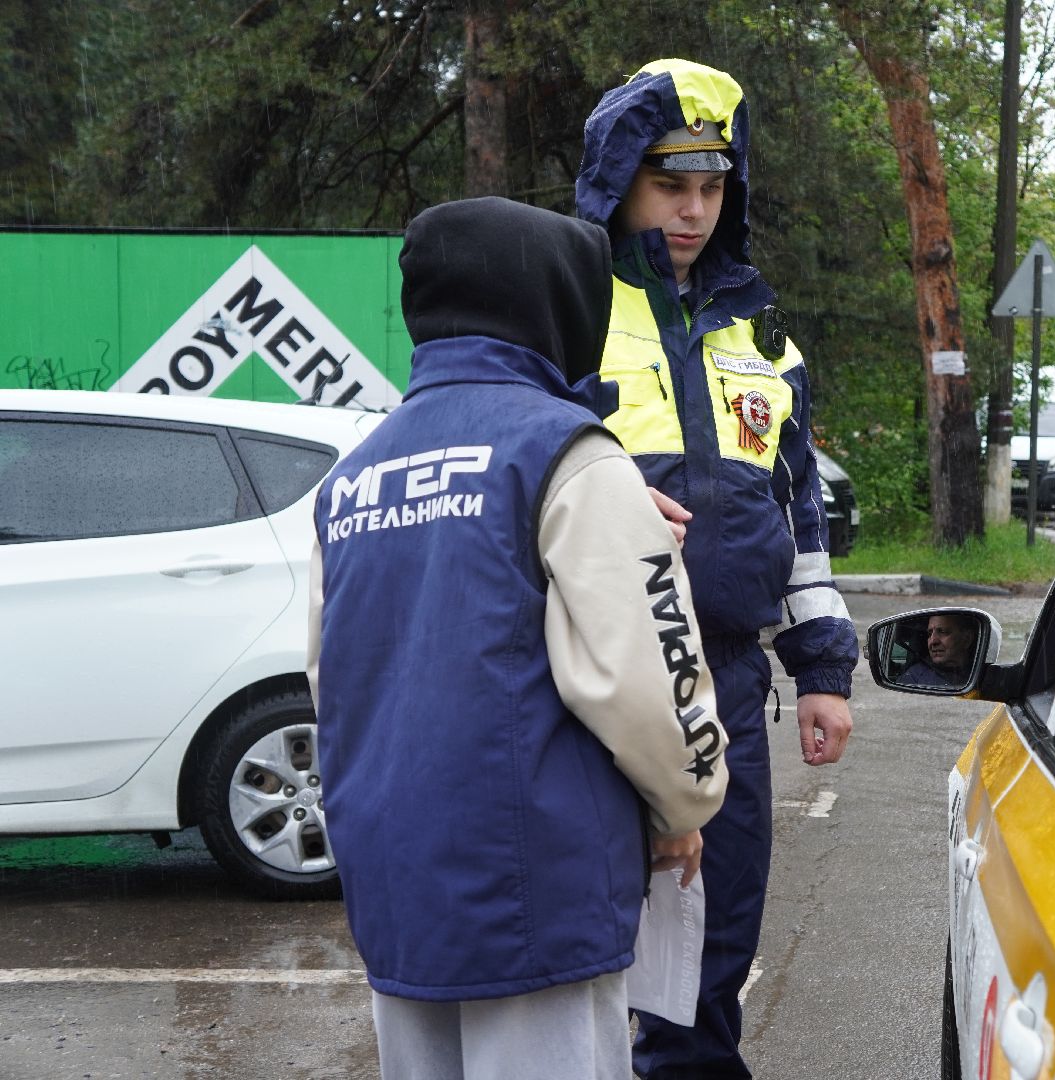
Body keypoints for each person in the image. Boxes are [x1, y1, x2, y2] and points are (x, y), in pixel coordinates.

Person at [307, 196, 729, 1080]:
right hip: (537, 883)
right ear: (555, 304)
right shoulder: (569, 453)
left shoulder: (354, 476)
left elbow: (329, 678)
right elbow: (648, 677)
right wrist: (685, 806)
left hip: (397, 882)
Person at [576, 59, 858, 1079]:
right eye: (667, 183)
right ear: (618, 180)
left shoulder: (760, 330)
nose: (692, 211)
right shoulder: (565, 302)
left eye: (712, 186)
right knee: (589, 966)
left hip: (730, 683)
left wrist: (821, 667)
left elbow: (799, 509)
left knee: (707, 963)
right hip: (594, 685)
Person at [901, 613, 979, 688]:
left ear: (967, 639)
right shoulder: (914, 677)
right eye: (929, 634)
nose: (933, 641)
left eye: (942, 631)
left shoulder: (981, 673)